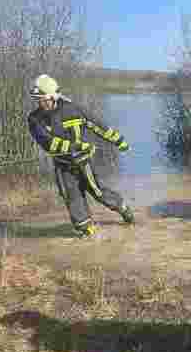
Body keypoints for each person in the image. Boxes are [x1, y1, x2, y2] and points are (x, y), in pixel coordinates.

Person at [27, 74, 135, 239]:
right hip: (63, 165)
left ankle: (122, 208)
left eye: (43, 99)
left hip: (85, 162)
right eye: (38, 100)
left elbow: (97, 125)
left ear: (53, 96)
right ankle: (86, 230)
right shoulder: (34, 119)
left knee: (98, 192)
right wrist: (73, 147)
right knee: (72, 196)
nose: (41, 103)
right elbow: (47, 142)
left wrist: (118, 140)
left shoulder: (73, 109)